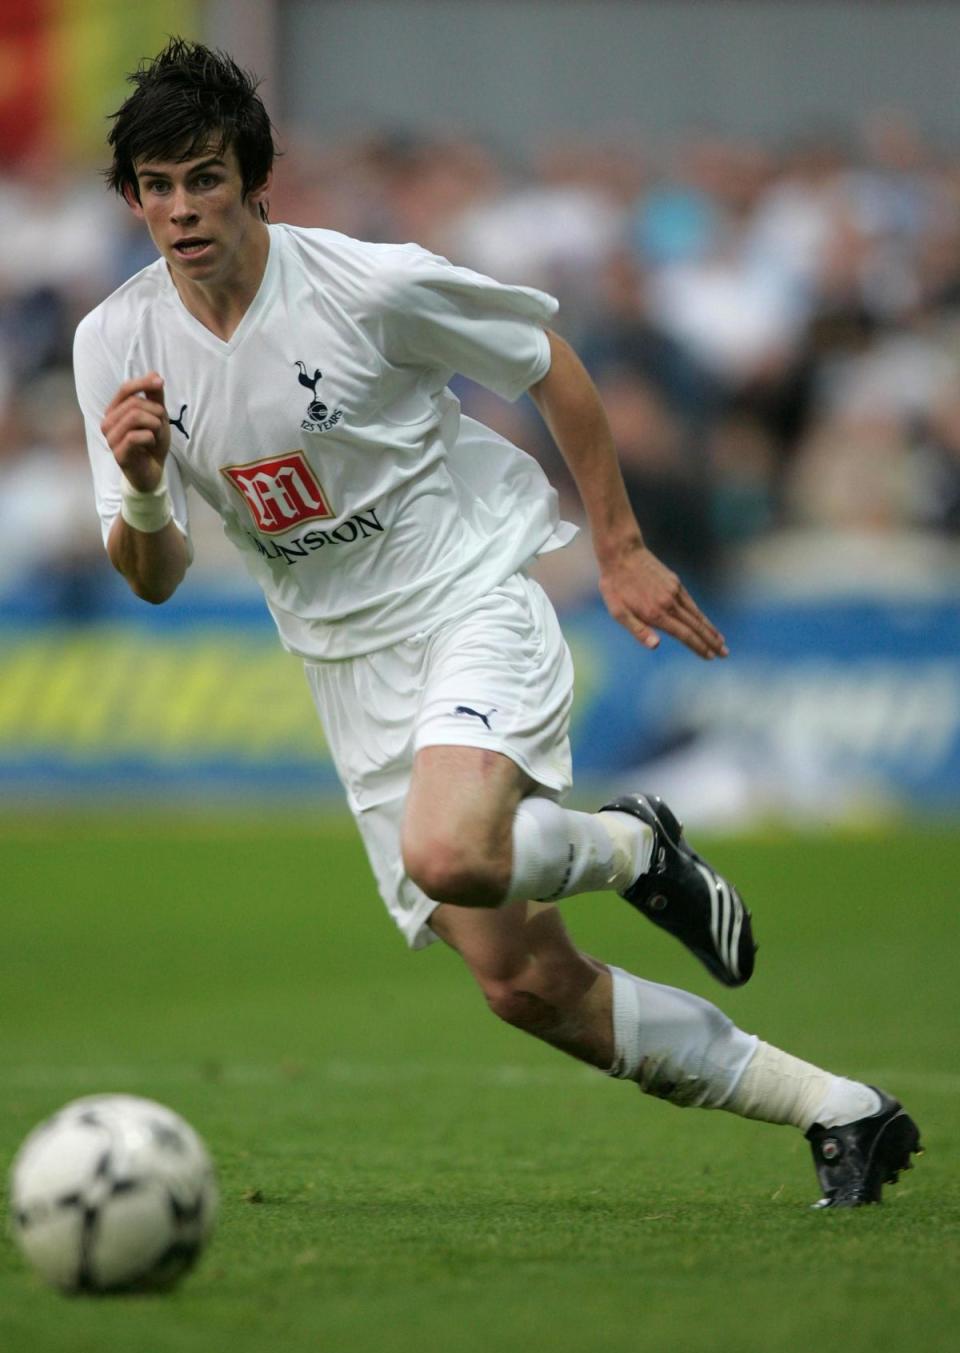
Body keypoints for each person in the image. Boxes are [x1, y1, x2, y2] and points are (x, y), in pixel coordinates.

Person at [74, 39, 919, 1209]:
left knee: (452, 851)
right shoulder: (113, 343)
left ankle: (629, 842)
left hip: (467, 591)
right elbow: (153, 576)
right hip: (345, 663)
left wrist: (617, 548)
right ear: (132, 199)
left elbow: (548, 362)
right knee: (526, 987)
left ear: (253, 176)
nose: (180, 210)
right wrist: (151, 485)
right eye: (156, 187)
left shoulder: (367, 285)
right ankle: (844, 1111)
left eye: (204, 178)